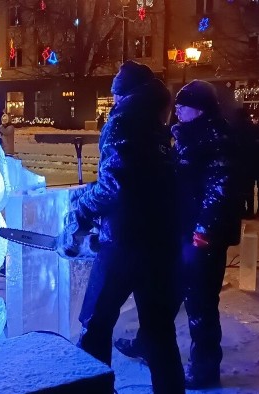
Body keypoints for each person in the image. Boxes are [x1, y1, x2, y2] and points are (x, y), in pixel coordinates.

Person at [115, 80, 242, 390]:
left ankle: (204, 369)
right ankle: (148, 342)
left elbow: (220, 191)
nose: (178, 111)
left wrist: (204, 231)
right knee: (167, 295)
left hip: (201, 238)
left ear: (199, 109)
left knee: (200, 303)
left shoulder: (215, 139)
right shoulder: (188, 136)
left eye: (184, 106)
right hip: (182, 231)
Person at [66, 61, 183, 393]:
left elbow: (114, 187)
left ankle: (93, 389)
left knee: (95, 323)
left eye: (115, 94)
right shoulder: (158, 127)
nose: (113, 101)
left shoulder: (122, 123)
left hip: (124, 243)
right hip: (161, 244)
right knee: (159, 331)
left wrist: (81, 205)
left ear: (123, 94)